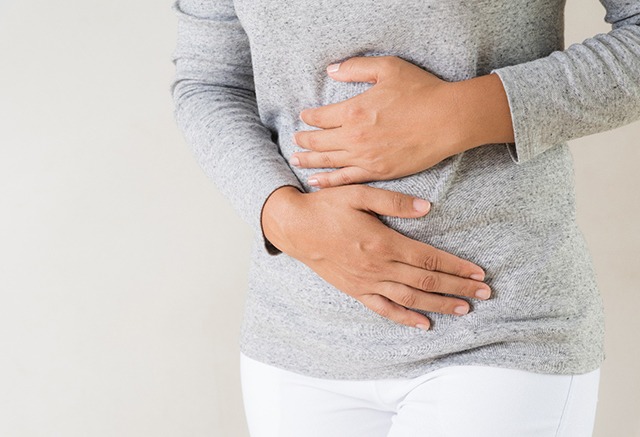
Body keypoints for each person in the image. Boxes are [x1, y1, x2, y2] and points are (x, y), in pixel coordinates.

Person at [170, 0, 640, 435]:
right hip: (300, 334)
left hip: (500, 323)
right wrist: (284, 216)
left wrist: (460, 113)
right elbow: (210, 81)